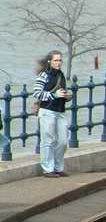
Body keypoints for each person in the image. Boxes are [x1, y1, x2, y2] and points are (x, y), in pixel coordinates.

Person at [33, 50, 70, 178]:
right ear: (49, 61)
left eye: (60, 60)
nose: (58, 63)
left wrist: (67, 96)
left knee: (63, 141)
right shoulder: (44, 75)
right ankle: (48, 169)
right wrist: (54, 95)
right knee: (48, 140)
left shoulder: (61, 74)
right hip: (47, 111)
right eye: (55, 60)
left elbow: (63, 91)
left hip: (60, 111)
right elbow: (37, 93)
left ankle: (58, 167)